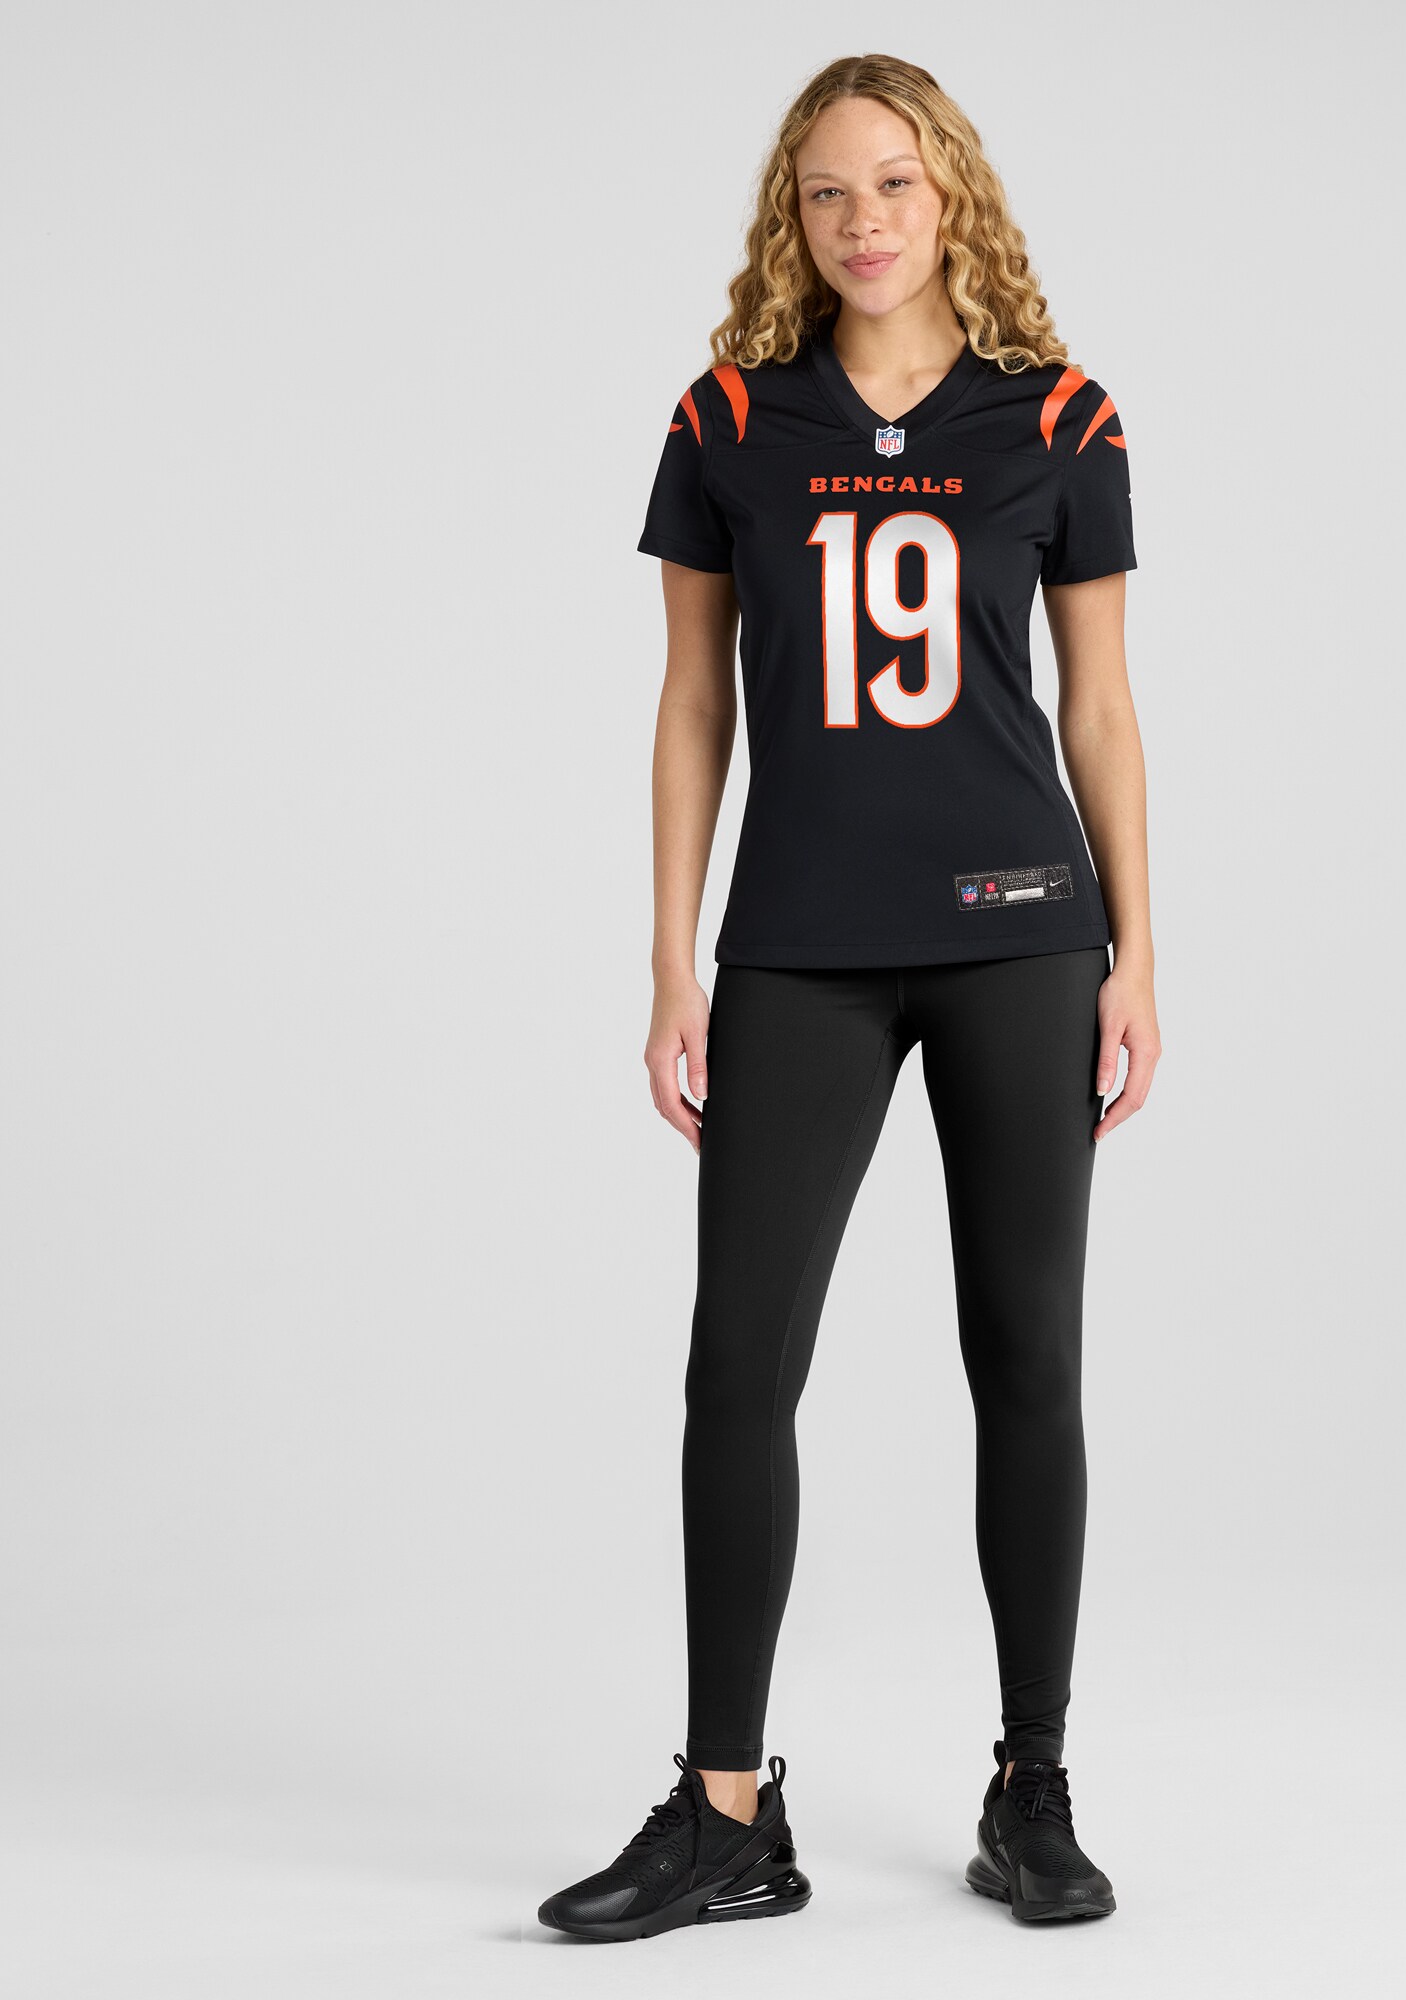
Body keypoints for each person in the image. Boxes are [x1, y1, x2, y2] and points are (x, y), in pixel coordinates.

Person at [538, 51, 1159, 1942]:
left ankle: (1032, 1785)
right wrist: (671, 956)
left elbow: (1100, 705)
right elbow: (692, 705)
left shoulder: (1061, 417)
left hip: (1018, 934)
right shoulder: (730, 416)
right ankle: (728, 1810)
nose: (863, 219)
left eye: (893, 182)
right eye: (826, 191)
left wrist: (1140, 949)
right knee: (741, 1361)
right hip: (800, 942)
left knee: (1025, 1355)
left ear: (950, 191)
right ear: (788, 217)